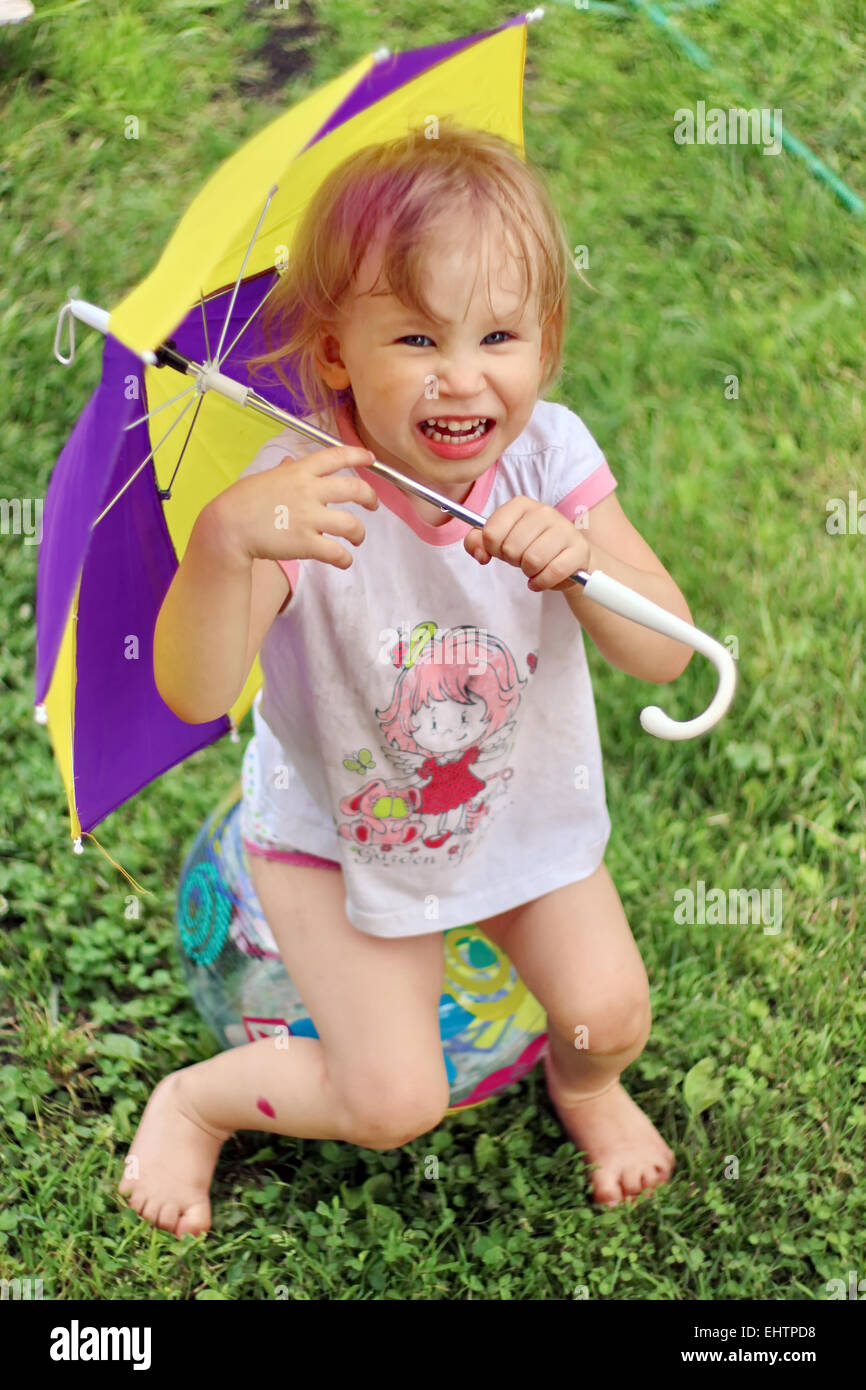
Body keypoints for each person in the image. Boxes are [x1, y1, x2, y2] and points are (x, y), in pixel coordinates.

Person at [120, 120, 691, 1238]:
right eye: (417, 339)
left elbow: (664, 651)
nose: (463, 376)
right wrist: (226, 545)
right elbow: (193, 689)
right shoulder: (306, 493)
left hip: (510, 806)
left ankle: (579, 1090)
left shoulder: (547, 463)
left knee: (609, 1017)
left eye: (497, 334)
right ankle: (193, 1102)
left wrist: (587, 570)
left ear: (545, 343)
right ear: (335, 354)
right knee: (391, 1100)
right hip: (339, 836)